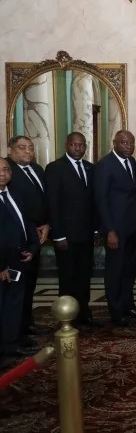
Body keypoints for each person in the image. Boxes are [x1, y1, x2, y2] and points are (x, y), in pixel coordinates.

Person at [45, 132, 101, 327]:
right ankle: (66, 318)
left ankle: (84, 315)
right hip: (66, 236)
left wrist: (95, 231)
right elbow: (53, 204)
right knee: (67, 278)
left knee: (84, 277)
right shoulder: (55, 168)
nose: (78, 148)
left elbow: (93, 202)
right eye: (74, 145)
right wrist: (57, 235)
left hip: (86, 234)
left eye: (81, 145)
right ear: (66, 145)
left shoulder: (90, 168)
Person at [95, 130, 136, 327]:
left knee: (129, 269)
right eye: (124, 143)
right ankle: (115, 310)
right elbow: (101, 200)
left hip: (131, 227)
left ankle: (127, 304)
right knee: (115, 270)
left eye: (131, 143)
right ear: (115, 143)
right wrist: (109, 230)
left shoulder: (131, 162)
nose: (128, 146)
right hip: (115, 229)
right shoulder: (105, 165)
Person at [6, 135, 49, 338]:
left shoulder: (37, 169)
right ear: (10, 151)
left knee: (30, 283)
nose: (27, 152)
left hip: (37, 236)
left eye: (30, 148)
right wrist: (34, 227)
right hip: (20, 237)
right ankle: (17, 332)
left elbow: (43, 200)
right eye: (22, 148)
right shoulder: (8, 173)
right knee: (17, 288)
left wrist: (46, 224)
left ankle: (27, 323)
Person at [0, 157, 39, 364]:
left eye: (6, 169)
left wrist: (32, 247)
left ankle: (12, 344)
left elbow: (27, 223)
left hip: (19, 259)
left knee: (15, 304)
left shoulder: (14, 194)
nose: (3, 174)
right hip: (3, 265)